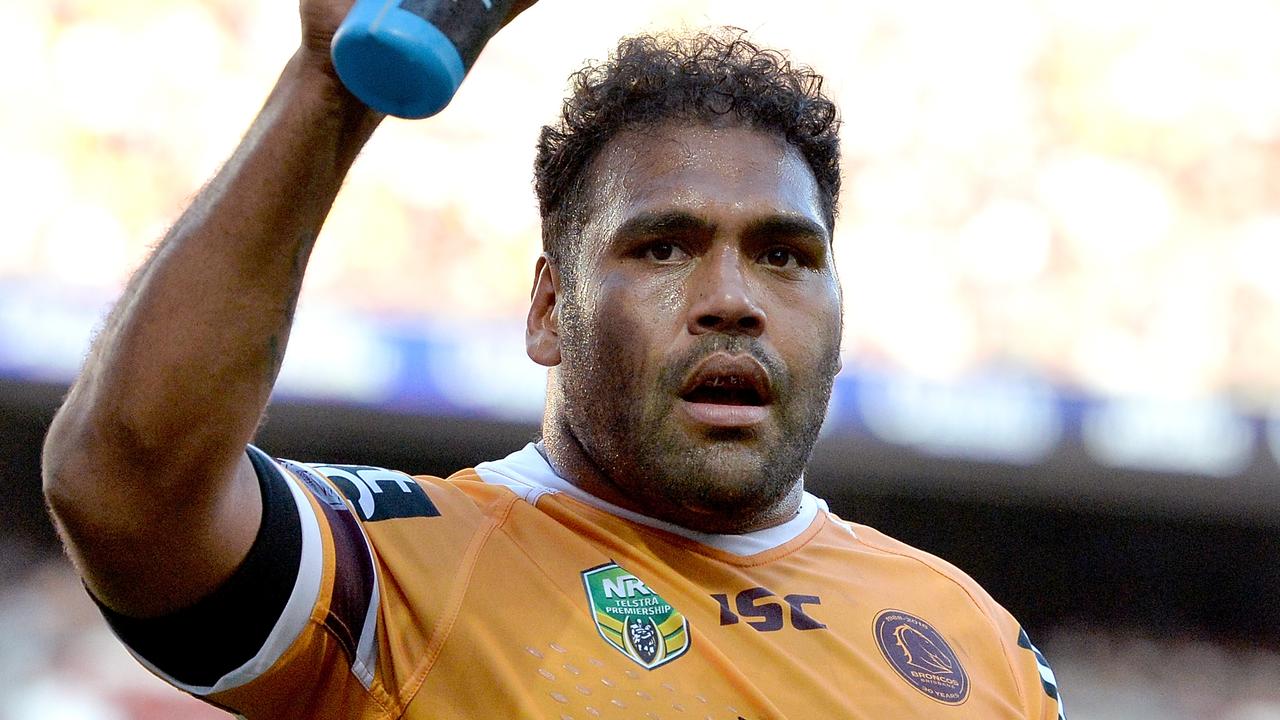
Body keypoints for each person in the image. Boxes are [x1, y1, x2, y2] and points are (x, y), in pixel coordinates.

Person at [41, 1, 1067, 718]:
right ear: (547, 311)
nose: (730, 300)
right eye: (662, 246)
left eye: (783, 256)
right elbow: (123, 485)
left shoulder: (974, 647)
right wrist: (327, 92)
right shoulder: (401, 579)